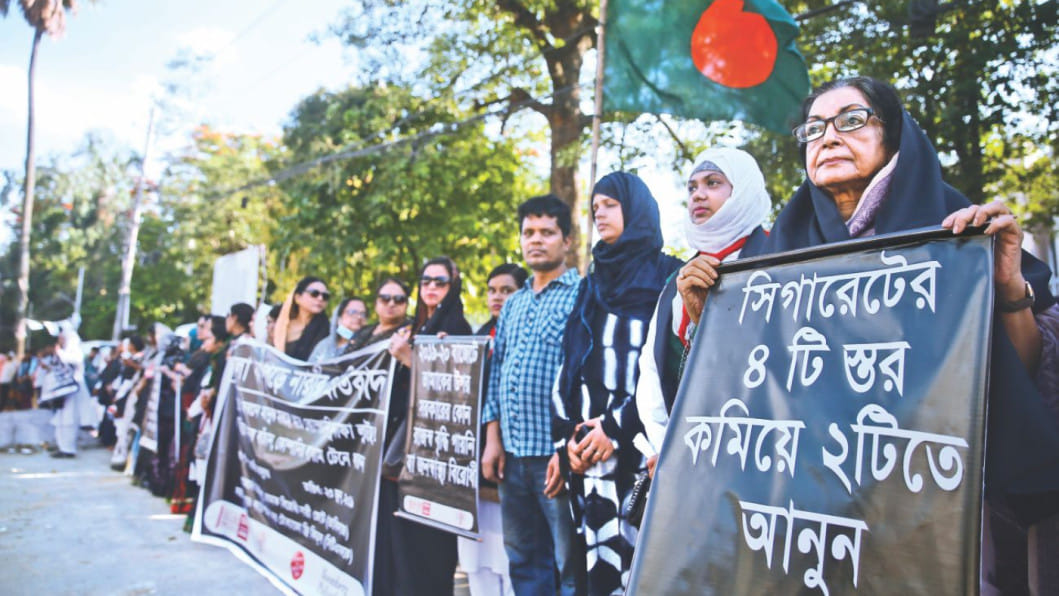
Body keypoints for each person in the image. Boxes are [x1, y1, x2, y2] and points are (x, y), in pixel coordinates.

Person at [679, 76, 1058, 594]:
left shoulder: (956, 235)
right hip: (815, 514)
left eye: (851, 120)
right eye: (814, 129)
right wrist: (714, 321)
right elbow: (753, 393)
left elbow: (1026, 372)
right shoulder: (780, 253)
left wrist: (1008, 287)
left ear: (893, 134)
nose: (829, 137)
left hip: (942, 509)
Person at [550, 172, 682, 594]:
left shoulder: (671, 278)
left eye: (610, 204)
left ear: (636, 210)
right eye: (595, 208)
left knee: (645, 573)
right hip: (589, 460)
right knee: (596, 574)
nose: (599, 214)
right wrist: (567, 441)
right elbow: (569, 366)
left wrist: (614, 426)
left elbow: (674, 370)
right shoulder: (592, 283)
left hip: (644, 454)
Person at [636, 148, 772, 472]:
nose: (698, 194)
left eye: (713, 183)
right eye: (692, 187)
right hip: (687, 460)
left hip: (760, 455)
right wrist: (666, 447)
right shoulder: (675, 281)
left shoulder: (782, 260)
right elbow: (651, 371)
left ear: (743, 190)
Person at [480, 195, 584, 596]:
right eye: (528, 233)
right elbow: (497, 372)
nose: (536, 240)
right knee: (523, 560)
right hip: (512, 457)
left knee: (569, 564)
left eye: (547, 232)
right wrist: (493, 440)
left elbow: (582, 377)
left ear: (567, 240)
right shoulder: (514, 304)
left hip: (555, 457)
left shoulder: (581, 295)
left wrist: (567, 448)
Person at [372, 258, 472, 596]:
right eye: (426, 280)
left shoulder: (457, 328)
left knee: (426, 548)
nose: (431, 287)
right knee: (397, 544)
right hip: (399, 454)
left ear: (453, 286)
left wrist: (408, 357)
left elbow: (456, 393)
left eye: (440, 282)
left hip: (433, 460)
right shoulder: (415, 327)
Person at [458, 263, 528, 596]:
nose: (497, 297)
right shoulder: (480, 335)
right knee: (477, 559)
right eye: (492, 290)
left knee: (512, 558)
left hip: (513, 455)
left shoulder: (526, 334)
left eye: (506, 290)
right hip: (474, 462)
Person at [272, 276, 331, 360]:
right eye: (314, 294)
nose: (320, 298)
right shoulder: (282, 325)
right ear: (297, 298)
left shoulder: (329, 329)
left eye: (325, 296)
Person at [349, 278, 412, 353]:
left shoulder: (412, 332)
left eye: (399, 299)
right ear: (376, 304)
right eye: (385, 298)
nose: (391, 304)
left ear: (406, 305)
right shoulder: (362, 332)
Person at [309, 297, 368, 362]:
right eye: (352, 312)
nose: (359, 317)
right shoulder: (324, 345)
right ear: (339, 318)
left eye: (363, 314)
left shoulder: (367, 346)